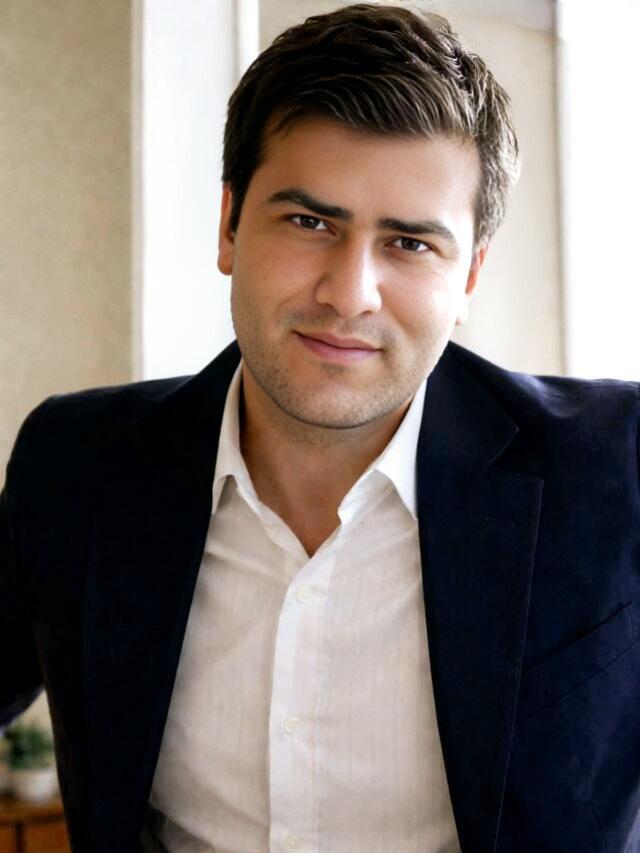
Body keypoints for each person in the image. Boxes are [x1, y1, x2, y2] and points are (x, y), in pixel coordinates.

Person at [1, 3, 639, 852]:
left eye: (410, 243)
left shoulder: (617, 465)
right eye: (310, 222)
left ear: (470, 274)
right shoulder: (74, 465)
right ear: (229, 225)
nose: (349, 294)